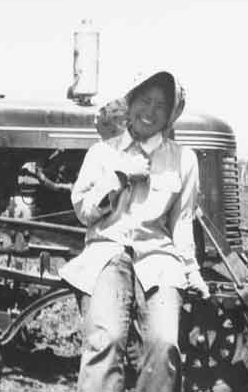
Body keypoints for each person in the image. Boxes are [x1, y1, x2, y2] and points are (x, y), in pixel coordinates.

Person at [59, 70, 210, 392]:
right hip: (107, 253)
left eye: (160, 105)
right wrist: (117, 177)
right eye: (144, 101)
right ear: (130, 103)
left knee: (164, 343)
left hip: (158, 257)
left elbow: (181, 222)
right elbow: (85, 214)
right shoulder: (102, 152)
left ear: (170, 114)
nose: (150, 112)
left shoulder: (184, 160)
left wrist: (192, 271)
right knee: (106, 338)